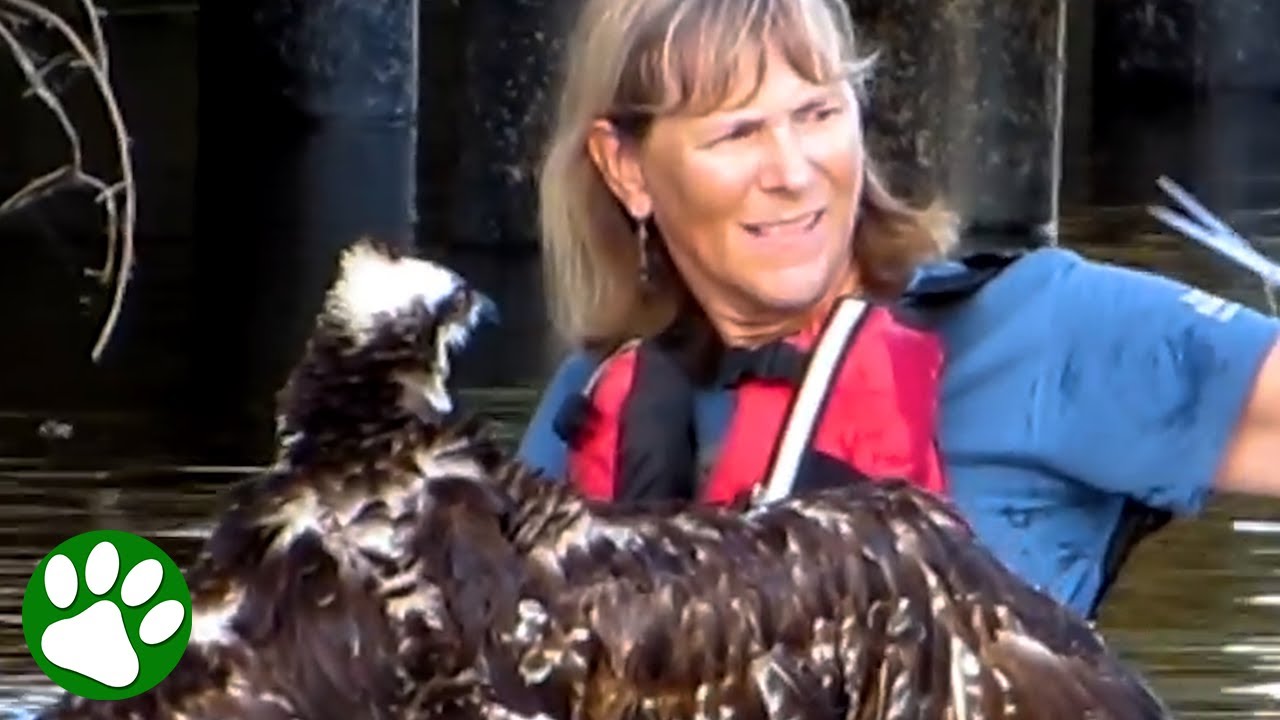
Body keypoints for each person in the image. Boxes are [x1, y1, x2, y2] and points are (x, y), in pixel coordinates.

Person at [516, 0, 1280, 621]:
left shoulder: (1045, 330)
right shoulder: (589, 402)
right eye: (738, 133)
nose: (792, 171)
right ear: (625, 168)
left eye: (817, 113)